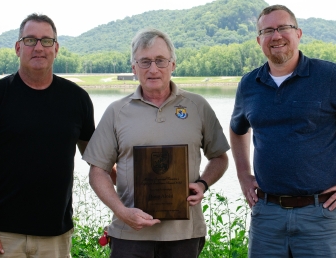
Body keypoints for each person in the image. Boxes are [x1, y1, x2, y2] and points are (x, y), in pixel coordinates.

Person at [229, 5, 336, 257]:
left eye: (284, 28)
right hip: (267, 215)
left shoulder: (329, 76)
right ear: (259, 39)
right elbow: (238, 129)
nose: (276, 36)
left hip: (322, 215)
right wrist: (242, 174)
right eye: (268, 30)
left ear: (299, 33)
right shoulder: (250, 84)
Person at [83, 28, 230, 258]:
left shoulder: (197, 106)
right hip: (129, 235)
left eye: (160, 60)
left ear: (173, 64)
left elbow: (220, 157)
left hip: (185, 235)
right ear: (133, 68)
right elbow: (97, 171)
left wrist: (202, 184)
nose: (153, 69)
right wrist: (122, 212)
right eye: (145, 62)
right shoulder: (116, 112)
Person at [0, 13, 95, 258]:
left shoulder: (77, 99)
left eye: (46, 41)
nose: (38, 47)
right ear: (18, 47)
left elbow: (97, 160)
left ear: (56, 48)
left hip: (55, 237)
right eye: (30, 40)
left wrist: (137, 178)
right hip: (1, 236)